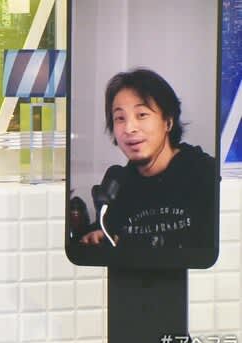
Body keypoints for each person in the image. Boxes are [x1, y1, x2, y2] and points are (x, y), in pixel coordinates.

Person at [80, 69, 216, 249]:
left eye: (142, 115)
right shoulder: (117, 186)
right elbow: (107, 233)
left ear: (168, 121)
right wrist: (98, 236)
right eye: (120, 118)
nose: (129, 128)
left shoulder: (205, 173)